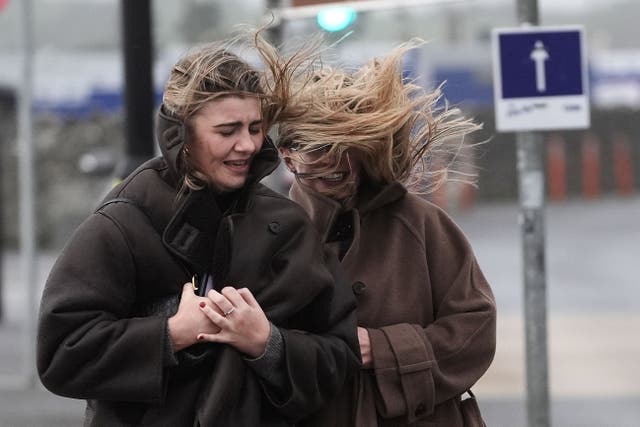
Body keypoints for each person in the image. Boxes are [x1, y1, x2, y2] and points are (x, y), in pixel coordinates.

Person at [36, 36, 361, 427]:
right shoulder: (124, 222)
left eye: (255, 128)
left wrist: (266, 342)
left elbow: (340, 356)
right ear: (181, 136)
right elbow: (62, 352)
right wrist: (172, 332)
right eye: (227, 131)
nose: (247, 145)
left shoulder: (289, 225)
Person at [277, 41, 497, 426]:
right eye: (320, 147)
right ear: (287, 155)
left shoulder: (422, 224)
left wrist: (383, 349)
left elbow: (475, 328)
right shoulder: (268, 232)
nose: (337, 159)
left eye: (350, 145)